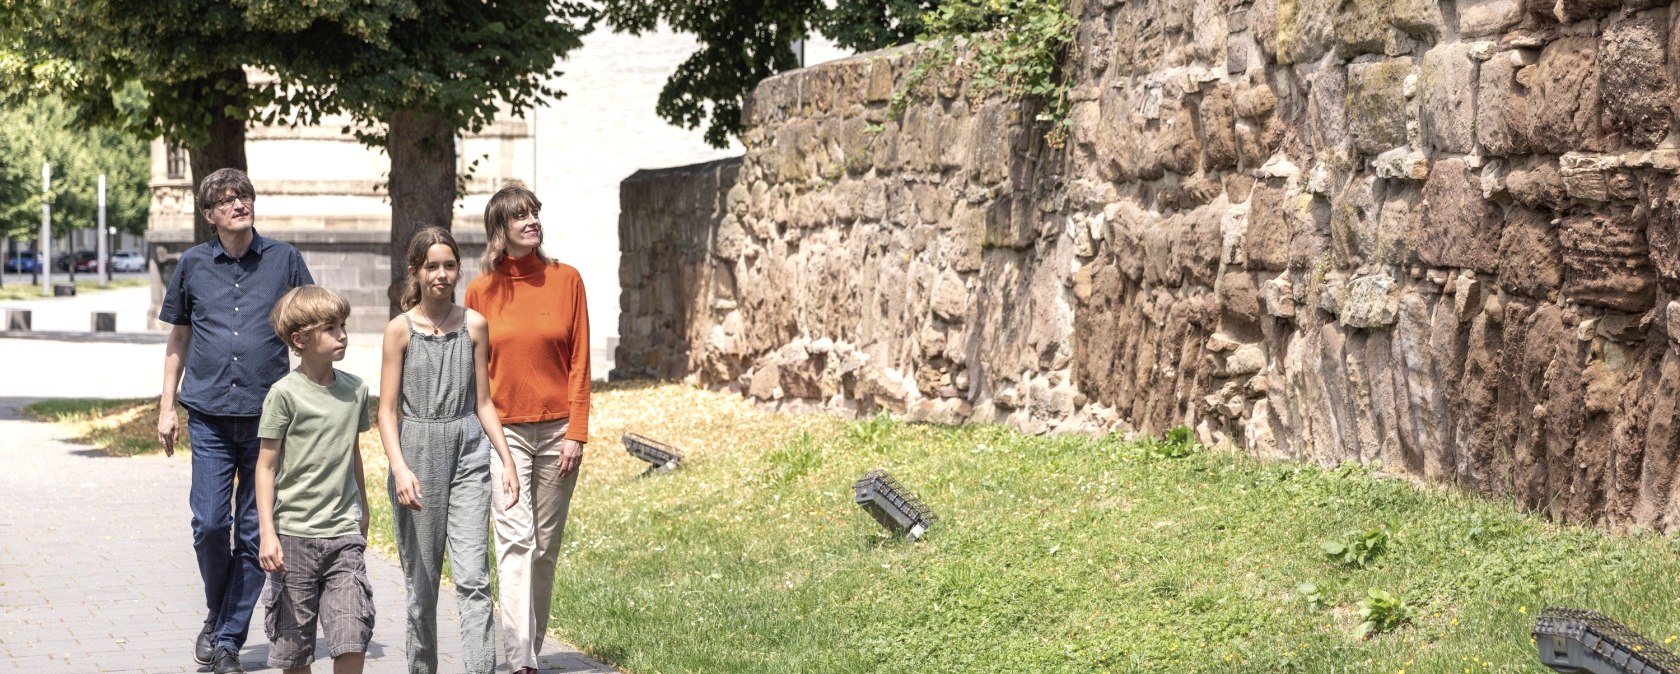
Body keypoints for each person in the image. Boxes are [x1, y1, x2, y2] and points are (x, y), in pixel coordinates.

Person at [157, 168, 313, 674]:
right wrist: (166, 406)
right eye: (226, 200)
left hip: (268, 416)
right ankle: (217, 612)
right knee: (208, 523)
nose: (239, 204)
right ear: (210, 215)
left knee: (252, 531)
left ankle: (225, 637)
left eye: (244, 195)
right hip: (207, 414)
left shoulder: (285, 260)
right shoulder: (193, 264)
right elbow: (178, 339)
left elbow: (311, 322)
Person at [378, 226, 521, 674]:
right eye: (432, 266)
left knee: (475, 580)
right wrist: (400, 468)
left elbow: (482, 402)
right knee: (421, 587)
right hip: (416, 455)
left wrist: (507, 460)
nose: (441, 274)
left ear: (459, 269)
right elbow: (385, 412)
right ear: (416, 272)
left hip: (467, 455)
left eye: (449, 265)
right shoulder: (399, 332)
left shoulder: (475, 325)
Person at [465, 186, 591, 674]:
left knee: (544, 546)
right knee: (515, 540)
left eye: (534, 213)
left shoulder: (568, 280)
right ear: (501, 229)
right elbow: (475, 371)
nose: (532, 221)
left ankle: (529, 645)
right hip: (505, 434)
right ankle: (521, 660)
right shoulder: (481, 291)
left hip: (559, 429)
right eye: (520, 216)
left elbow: (580, 361)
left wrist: (577, 431)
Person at [253, 285, 373, 674]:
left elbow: (352, 453)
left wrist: (364, 510)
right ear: (300, 339)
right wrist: (267, 533)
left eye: (343, 326)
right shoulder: (283, 395)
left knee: (352, 633)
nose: (343, 335)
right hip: (293, 538)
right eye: (330, 328)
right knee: (295, 649)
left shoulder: (355, 390)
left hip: (342, 535)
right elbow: (266, 467)